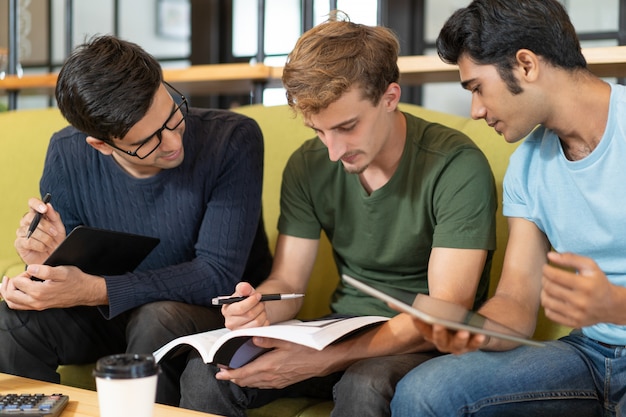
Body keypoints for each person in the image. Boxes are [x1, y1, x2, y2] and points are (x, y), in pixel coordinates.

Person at [176, 11, 497, 417]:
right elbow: (289, 281)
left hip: (421, 342)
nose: (334, 151)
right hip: (338, 326)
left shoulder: (456, 165)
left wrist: (325, 359)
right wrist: (261, 308)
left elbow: (443, 314)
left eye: (347, 127)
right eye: (318, 131)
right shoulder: (308, 164)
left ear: (390, 98)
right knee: (208, 372)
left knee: (365, 385)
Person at [0, 35, 273, 406]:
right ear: (101, 144)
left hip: (213, 313)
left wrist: (95, 289)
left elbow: (217, 273)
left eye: (174, 115)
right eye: (147, 142)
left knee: (155, 319)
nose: (173, 143)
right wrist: (44, 266)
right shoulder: (68, 154)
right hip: (114, 314)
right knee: (13, 317)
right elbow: (83, 269)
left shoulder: (232, 139)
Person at [391, 1, 626, 416]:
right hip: (588, 353)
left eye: (477, 87)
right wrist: (471, 328)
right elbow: (517, 299)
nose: (476, 110)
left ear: (526, 65)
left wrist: (615, 306)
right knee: (424, 393)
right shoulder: (528, 164)